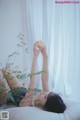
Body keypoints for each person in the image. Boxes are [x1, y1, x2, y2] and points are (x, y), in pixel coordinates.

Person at [0, 41, 66, 113]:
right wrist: (45, 55)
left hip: (9, 96)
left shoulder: (29, 104)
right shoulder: (46, 95)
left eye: (45, 97)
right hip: (21, 90)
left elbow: (32, 85)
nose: (45, 93)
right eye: (49, 93)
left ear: (45, 106)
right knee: (4, 70)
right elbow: (44, 80)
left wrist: (35, 56)